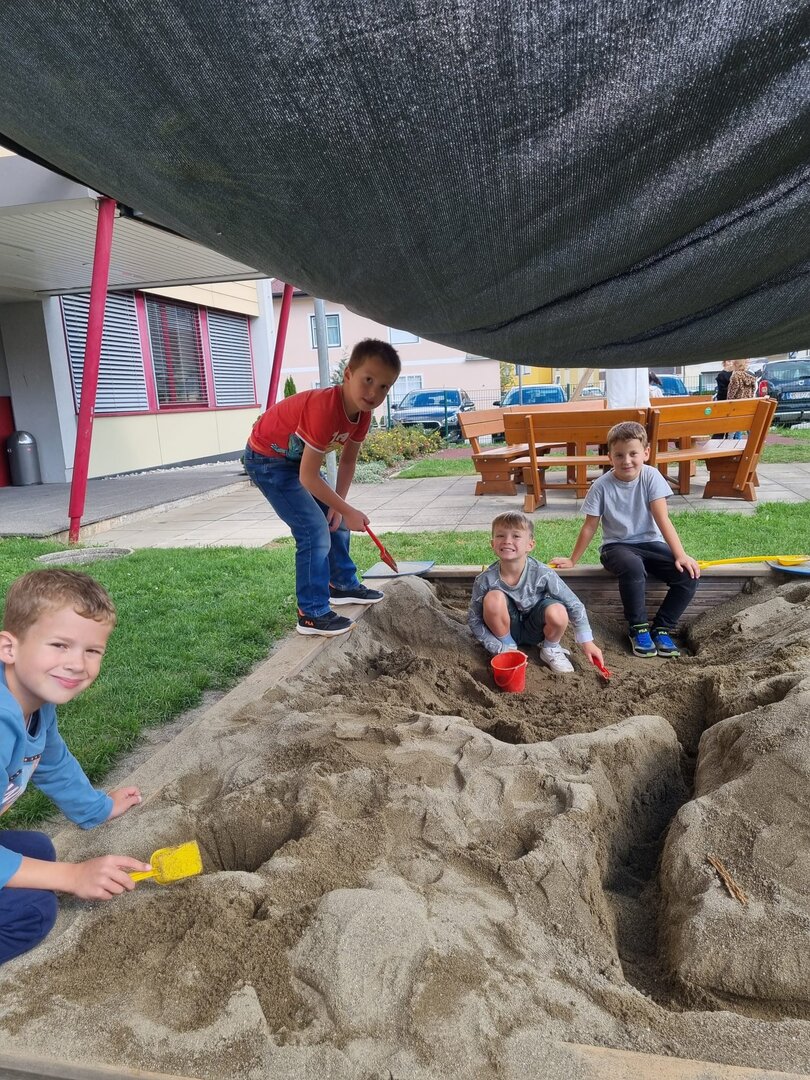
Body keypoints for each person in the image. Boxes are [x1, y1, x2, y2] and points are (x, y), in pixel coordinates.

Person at [0, 569, 149, 965]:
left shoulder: (34, 703)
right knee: (31, 911)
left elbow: (52, 763)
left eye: (92, 651)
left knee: (37, 849)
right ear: (9, 648)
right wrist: (73, 875)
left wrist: (98, 808)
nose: (77, 664)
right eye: (60, 645)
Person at [244, 338, 401, 637]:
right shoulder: (325, 409)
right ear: (348, 374)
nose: (374, 393)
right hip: (267, 460)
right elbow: (308, 477)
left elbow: (348, 462)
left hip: (297, 461)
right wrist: (345, 509)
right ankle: (312, 613)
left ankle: (341, 585)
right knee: (314, 531)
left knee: (335, 519)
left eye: (384, 386)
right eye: (368, 380)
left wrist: (340, 507)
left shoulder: (363, 415)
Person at [551, 421, 700, 659]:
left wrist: (680, 555)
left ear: (646, 453)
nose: (626, 460)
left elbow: (662, 519)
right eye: (619, 455)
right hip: (616, 547)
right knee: (633, 566)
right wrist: (572, 559)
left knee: (688, 575)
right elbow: (590, 526)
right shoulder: (601, 486)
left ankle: (662, 628)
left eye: (633, 454)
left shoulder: (651, 477)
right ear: (610, 456)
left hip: (650, 544)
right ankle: (638, 628)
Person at [468, 512, 604, 674]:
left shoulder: (543, 573)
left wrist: (587, 642)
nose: (507, 541)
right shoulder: (485, 579)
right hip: (503, 632)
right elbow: (474, 619)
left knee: (558, 611)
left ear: (530, 545)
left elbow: (573, 604)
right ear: (492, 543)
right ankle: (508, 648)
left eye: (516, 536)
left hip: (537, 629)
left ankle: (550, 648)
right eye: (500, 535)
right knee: (493, 598)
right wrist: (496, 645)